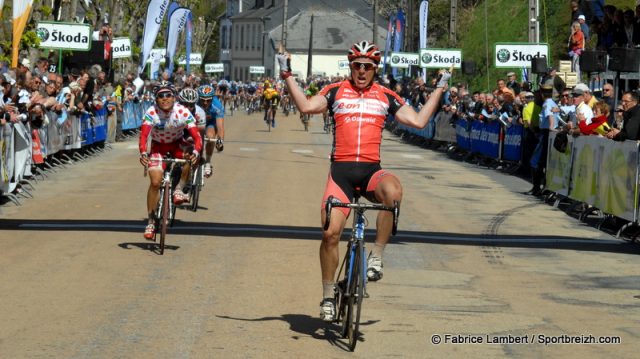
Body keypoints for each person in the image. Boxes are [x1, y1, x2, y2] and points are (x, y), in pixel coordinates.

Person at [276, 41, 449, 322]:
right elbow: (307, 107)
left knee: (393, 192)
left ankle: (377, 256)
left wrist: (440, 88)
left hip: (371, 173)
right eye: (357, 65)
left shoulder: (386, 96)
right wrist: (287, 75)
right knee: (330, 234)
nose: (361, 71)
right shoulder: (335, 92)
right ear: (350, 66)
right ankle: (328, 295)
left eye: (367, 66)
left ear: (375, 69)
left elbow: (418, 121)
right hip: (341, 174)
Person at [138, 83, 202, 240]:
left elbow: (197, 137)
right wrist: (143, 153)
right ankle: (151, 221)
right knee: (155, 182)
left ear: (174, 97)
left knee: (190, 155)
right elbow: (144, 136)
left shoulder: (183, 111)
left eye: (168, 95)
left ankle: (179, 188)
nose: (164, 99)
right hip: (158, 146)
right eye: (161, 96)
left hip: (177, 144)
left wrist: (195, 151)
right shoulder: (151, 111)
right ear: (156, 99)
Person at [198, 84, 224, 176]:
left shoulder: (217, 105)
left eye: (208, 100)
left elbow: (220, 125)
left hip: (210, 123)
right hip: (196, 122)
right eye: (202, 100)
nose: (205, 103)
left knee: (211, 137)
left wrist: (220, 140)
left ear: (212, 98)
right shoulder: (195, 103)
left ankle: (208, 162)